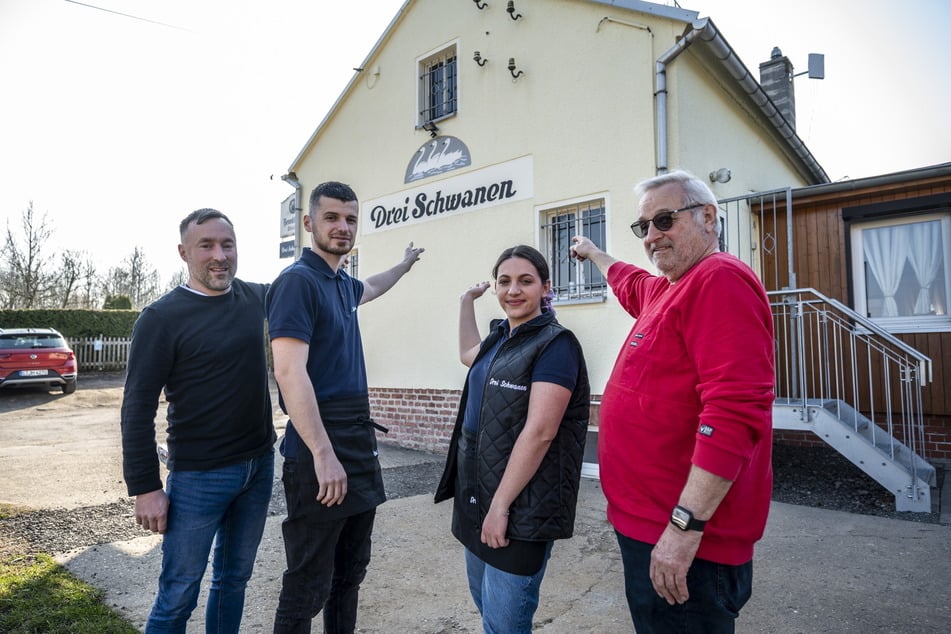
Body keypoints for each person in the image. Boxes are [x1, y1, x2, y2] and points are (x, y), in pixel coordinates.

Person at [570, 170, 774, 633]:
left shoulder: (719, 279)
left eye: (664, 220)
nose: (652, 237)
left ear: (707, 217)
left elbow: (735, 412)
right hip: (648, 529)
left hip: (688, 543)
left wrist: (684, 530)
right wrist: (594, 253)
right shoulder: (668, 288)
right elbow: (628, 281)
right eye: (643, 227)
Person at [267, 180, 424, 633]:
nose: (342, 227)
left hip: (356, 441)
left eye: (351, 219)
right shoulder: (297, 283)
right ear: (308, 222)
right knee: (308, 584)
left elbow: (372, 286)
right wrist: (322, 454)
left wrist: (405, 265)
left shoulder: (339, 282)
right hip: (320, 449)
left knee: (349, 575)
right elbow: (289, 373)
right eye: (332, 217)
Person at [120, 208, 276, 634]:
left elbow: (329, 290)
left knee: (233, 581)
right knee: (178, 595)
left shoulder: (253, 297)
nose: (219, 255)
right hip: (198, 479)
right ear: (183, 252)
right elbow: (136, 408)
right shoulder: (161, 318)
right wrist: (146, 488)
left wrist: (401, 268)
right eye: (206, 245)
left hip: (259, 467)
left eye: (227, 244)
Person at [435, 245, 590, 634]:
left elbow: (540, 433)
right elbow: (468, 354)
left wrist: (500, 507)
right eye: (504, 281)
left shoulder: (556, 345)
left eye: (525, 281)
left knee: (505, 625)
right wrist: (465, 301)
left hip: (520, 510)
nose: (513, 290)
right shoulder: (500, 336)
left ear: (545, 287)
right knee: (487, 610)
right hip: (478, 499)